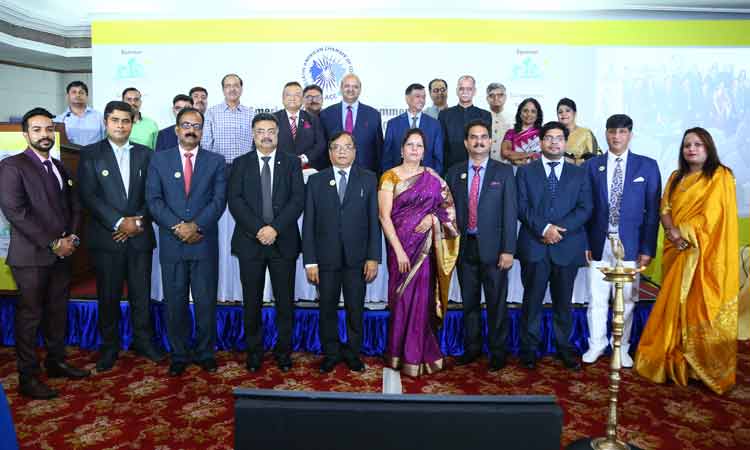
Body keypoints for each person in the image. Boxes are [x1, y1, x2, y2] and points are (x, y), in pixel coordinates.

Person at [635, 127, 739, 395]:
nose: (691, 149)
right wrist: (672, 232)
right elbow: (665, 208)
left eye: (697, 145)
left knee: (699, 306)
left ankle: (701, 365)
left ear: (708, 148)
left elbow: (713, 217)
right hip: (677, 249)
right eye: (686, 145)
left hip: (704, 255)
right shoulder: (675, 177)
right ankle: (674, 360)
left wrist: (684, 233)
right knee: (674, 305)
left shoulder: (720, 176)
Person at [0, 107, 89, 399]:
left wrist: (72, 237)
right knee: (30, 317)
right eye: (37, 130)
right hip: (31, 258)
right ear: (25, 135)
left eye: (49, 129)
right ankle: (28, 377)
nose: (45, 134)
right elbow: (16, 212)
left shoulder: (60, 166)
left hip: (62, 255)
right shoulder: (12, 166)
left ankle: (56, 362)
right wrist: (53, 242)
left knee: (56, 313)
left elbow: (75, 205)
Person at [78, 101, 164, 371]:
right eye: (115, 120)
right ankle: (109, 346)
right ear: (106, 122)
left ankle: (143, 340)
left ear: (132, 123)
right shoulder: (90, 154)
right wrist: (117, 222)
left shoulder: (146, 154)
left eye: (125, 121)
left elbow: (154, 193)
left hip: (139, 234)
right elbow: (88, 195)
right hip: (108, 237)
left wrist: (135, 221)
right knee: (108, 294)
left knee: (141, 293)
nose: (120, 125)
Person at [146, 107, 227, 376]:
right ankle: (179, 354)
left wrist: (196, 226)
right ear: (177, 129)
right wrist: (177, 226)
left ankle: (205, 352)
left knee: (205, 302)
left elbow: (218, 201)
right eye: (186, 125)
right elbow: (154, 200)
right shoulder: (160, 160)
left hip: (203, 241)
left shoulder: (216, 161)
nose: (192, 130)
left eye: (197, 126)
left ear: (202, 131)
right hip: (172, 242)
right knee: (175, 302)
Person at [379, 128, 459, 377]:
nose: (415, 150)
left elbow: (449, 212)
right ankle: (398, 354)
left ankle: (420, 355)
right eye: (410, 145)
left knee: (422, 302)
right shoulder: (389, 177)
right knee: (401, 300)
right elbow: (384, 216)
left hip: (426, 250)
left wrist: (433, 219)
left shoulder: (434, 178)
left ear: (424, 151)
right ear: (402, 149)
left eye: (419, 146)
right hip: (400, 249)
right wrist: (399, 251)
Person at [582, 114, 661, 368]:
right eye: (612, 132)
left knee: (627, 299)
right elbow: (585, 208)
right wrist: (584, 242)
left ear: (630, 135)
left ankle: (622, 346)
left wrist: (647, 248)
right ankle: (596, 344)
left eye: (622, 132)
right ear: (605, 133)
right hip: (598, 241)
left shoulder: (647, 166)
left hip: (631, 243)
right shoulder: (592, 166)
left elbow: (653, 211)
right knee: (596, 297)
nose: (616, 137)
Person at [228, 113, 305, 373]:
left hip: (283, 242)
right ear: (253, 134)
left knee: (285, 301)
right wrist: (259, 229)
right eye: (260, 131)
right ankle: (254, 351)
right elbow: (235, 201)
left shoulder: (292, 163)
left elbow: (298, 200)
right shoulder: (240, 164)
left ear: (278, 134)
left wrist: (275, 229)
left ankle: (284, 351)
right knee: (252, 301)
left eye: (271, 130)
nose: (266, 135)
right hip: (250, 242)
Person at [302, 131, 381, 373]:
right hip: (325, 259)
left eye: (347, 147)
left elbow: (373, 221)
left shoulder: (368, 179)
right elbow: (309, 224)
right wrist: (310, 261)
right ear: (329, 152)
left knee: (355, 308)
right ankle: (331, 352)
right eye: (337, 147)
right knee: (327, 307)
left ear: (355, 151)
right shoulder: (316, 181)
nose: (342, 151)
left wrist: (373, 257)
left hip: (357, 259)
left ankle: (353, 352)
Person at [516, 121, 592, 371]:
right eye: (549, 138)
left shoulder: (579, 173)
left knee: (563, 303)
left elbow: (585, 208)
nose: (554, 142)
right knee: (532, 301)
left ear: (566, 142)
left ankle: (564, 347)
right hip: (535, 246)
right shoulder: (526, 172)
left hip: (566, 246)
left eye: (559, 138)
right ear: (541, 142)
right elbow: (522, 206)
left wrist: (558, 230)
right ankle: (529, 349)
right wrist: (543, 229)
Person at [446, 119, 517, 371]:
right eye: (473, 137)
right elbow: (448, 212)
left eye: (483, 137)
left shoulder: (504, 172)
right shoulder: (454, 172)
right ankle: (472, 348)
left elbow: (510, 213)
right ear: (466, 143)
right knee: (470, 303)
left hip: (496, 251)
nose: (478, 141)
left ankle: (498, 352)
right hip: (465, 248)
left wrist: (509, 250)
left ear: (490, 141)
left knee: (497, 303)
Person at [320, 74, 383, 173]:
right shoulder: (326, 114)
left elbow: (378, 149)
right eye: (347, 86)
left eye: (355, 87)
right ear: (341, 88)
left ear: (360, 89)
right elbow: (322, 147)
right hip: (333, 173)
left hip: (365, 173)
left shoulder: (373, 115)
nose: (351, 89)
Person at [382, 83, 443, 173]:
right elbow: (387, 157)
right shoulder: (393, 124)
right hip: (399, 181)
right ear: (407, 98)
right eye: (417, 96)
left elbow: (438, 158)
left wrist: (432, 180)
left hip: (426, 181)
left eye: (424, 97)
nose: (421, 100)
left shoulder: (434, 124)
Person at [438, 75, 492, 171]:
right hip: (451, 168)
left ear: (474, 91)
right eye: (461, 89)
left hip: (478, 168)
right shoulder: (444, 115)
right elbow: (441, 146)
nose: (465, 92)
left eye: (469, 89)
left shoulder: (485, 115)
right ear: (456, 91)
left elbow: (487, 145)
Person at [201, 73, 254, 164]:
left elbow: (255, 143)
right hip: (219, 166)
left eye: (236, 86)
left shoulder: (251, 114)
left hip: (245, 166)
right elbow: (206, 143)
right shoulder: (211, 113)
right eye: (228, 86)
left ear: (241, 89)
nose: (232, 89)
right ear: (223, 90)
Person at [273, 81, 327, 170]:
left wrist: (305, 158)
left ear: (302, 99)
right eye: (288, 95)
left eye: (297, 95)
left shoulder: (313, 119)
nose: (292, 98)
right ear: (283, 98)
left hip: (308, 169)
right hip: (280, 169)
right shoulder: (272, 119)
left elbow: (320, 144)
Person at [54, 81, 105, 146]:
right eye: (74, 92)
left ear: (86, 96)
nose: (78, 95)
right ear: (67, 96)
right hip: (69, 155)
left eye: (81, 92)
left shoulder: (99, 117)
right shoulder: (59, 120)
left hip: (95, 155)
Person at [556, 98, 601, 165]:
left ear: (574, 113)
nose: (563, 114)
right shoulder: (553, 134)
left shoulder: (585, 133)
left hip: (580, 173)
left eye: (567, 111)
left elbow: (596, 158)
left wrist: (574, 161)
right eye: (560, 112)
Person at [501, 97, 543, 166]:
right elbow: (505, 152)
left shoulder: (543, 132)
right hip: (516, 171)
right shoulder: (511, 133)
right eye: (525, 110)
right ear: (520, 113)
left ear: (537, 115)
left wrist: (516, 156)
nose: (529, 114)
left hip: (537, 171)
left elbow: (547, 155)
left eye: (533, 111)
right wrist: (531, 154)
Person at [486, 83, 512, 162]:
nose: (496, 98)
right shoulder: (482, 117)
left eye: (500, 95)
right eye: (492, 95)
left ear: (505, 97)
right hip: (484, 163)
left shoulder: (513, 119)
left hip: (506, 164)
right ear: (487, 98)